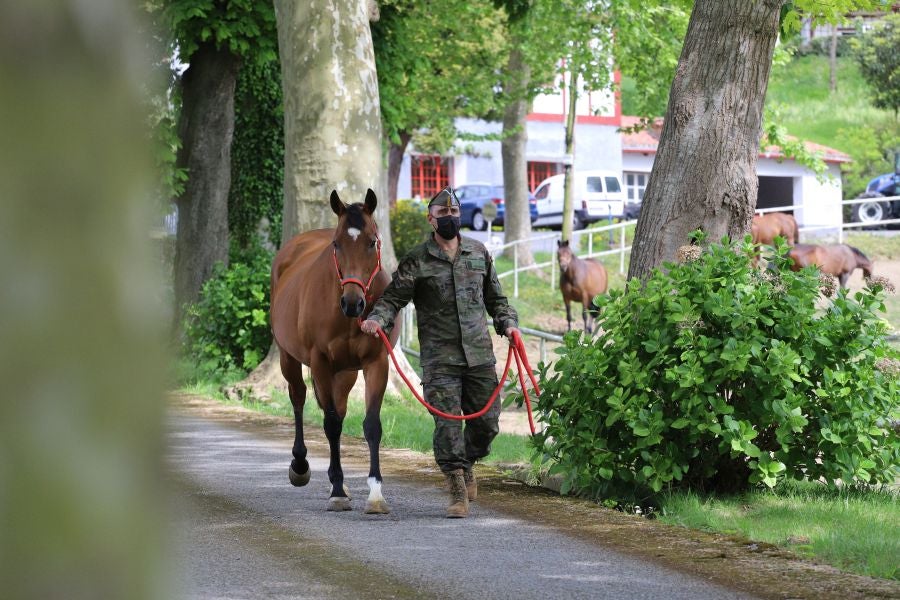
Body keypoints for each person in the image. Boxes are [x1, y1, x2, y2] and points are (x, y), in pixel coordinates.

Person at [360, 186, 520, 518]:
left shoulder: (478, 253)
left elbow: (497, 300)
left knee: (487, 424)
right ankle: (456, 488)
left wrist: (509, 324)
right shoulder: (417, 260)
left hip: (479, 356)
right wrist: (377, 318)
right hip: (439, 360)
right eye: (442, 214)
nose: (449, 218)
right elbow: (393, 299)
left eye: (454, 213)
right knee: (447, 426)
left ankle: (467, 462)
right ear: (431, 220)